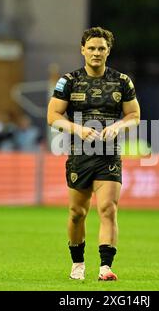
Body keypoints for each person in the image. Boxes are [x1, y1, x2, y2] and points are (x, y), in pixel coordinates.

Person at [47, 27, 141, 281]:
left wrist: (118, 126)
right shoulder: (69, 81)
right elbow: (52, 116)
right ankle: (78, 264)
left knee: (108, 209)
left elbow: (134, 115)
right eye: (91, 48)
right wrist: (77, 129)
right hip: (79, 155)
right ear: (83, 50)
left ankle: (105, 267)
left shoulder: (122, 81)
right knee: (77, 213)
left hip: (108, 155)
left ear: (108, 51)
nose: (96, 53)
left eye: (101, 48)